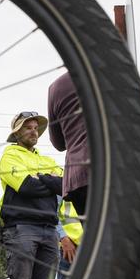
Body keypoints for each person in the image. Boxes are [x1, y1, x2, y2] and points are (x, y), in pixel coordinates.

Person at [0, 110, 61, 279]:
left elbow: (64, 185)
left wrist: (43, 179)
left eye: (36, 128)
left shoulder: (46, 158)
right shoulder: (10, 155)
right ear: (16, 132)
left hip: (49, 229)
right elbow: (26, 186)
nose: (34, 131)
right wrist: (49, 180)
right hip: (21, 227)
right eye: (28, 127)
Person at [47, 74, 89, 213]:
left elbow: (58, 143)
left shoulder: (56, 87)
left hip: (77, 177)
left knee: (97, 231)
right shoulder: (113, 74)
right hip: (116, 168)